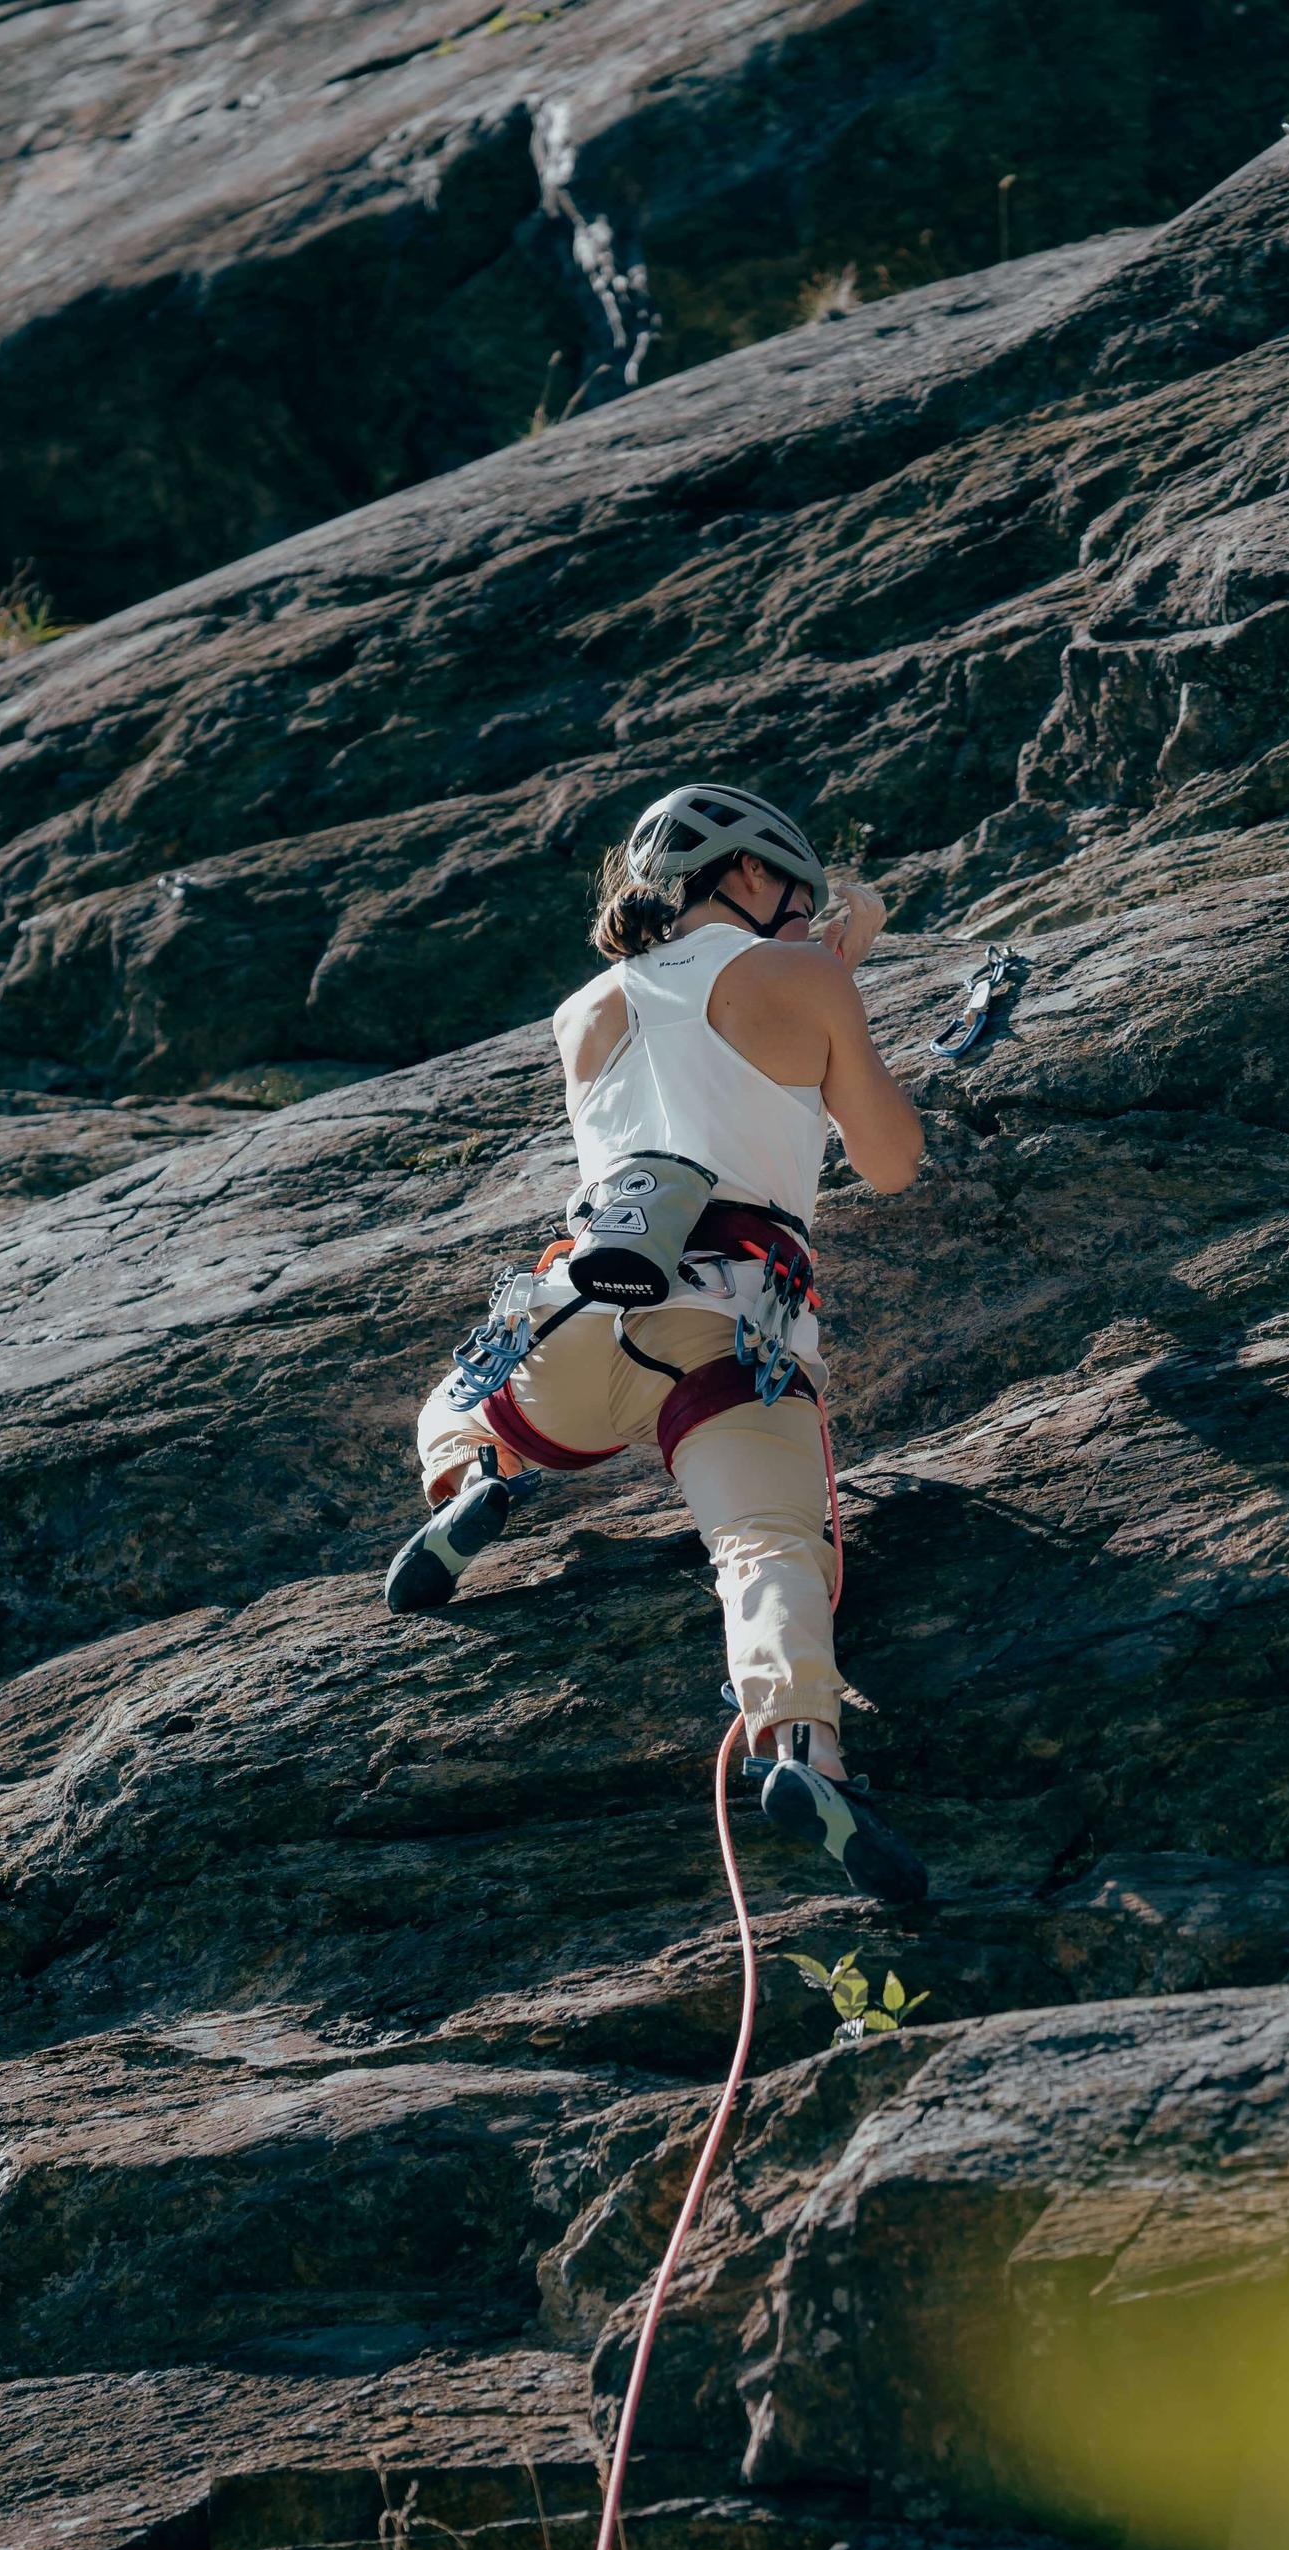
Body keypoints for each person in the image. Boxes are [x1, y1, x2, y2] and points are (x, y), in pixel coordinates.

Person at [384, 783, 932, 1905]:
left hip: (574, 1309)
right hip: (732, 1325)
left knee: (454, 1404)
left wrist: (805, 963)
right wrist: (837, 977)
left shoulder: (581, 1008)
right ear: (742, 872)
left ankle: (473, 1476)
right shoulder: (808, 974)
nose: (800, 906)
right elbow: (888, 1160)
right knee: (768, 1542)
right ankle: (801, 1749)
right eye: (791, 885)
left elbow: (694, 1048)